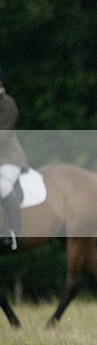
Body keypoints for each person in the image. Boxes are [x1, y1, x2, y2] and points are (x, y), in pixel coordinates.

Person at [0, 68, 27, 251]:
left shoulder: (8, 104)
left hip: (9, 158)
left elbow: (5, 134)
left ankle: (15, 234)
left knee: (3, 187)